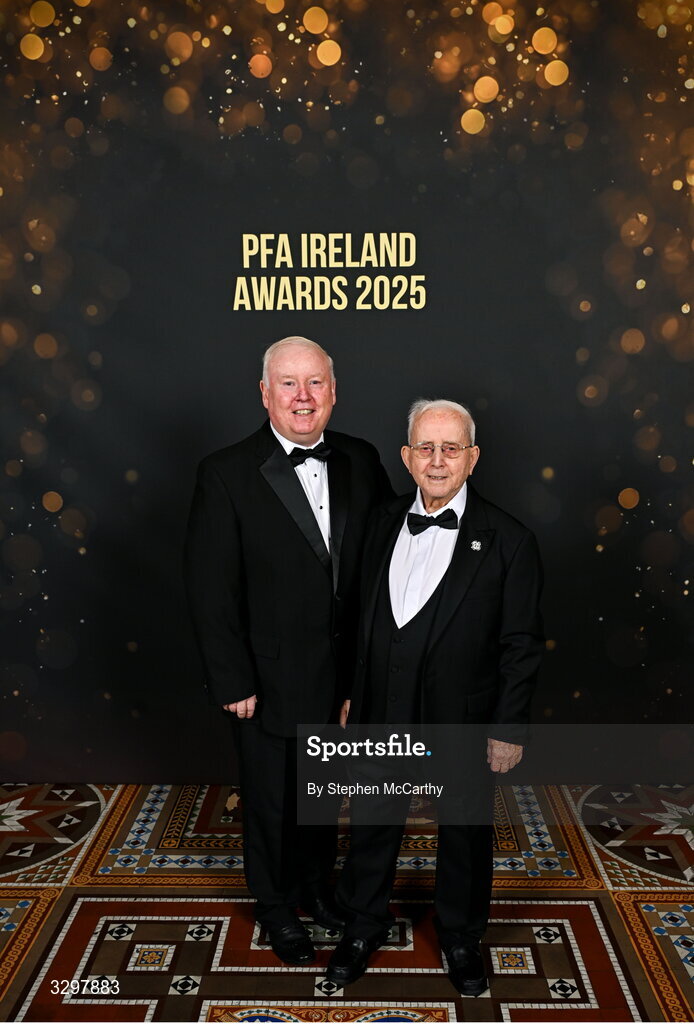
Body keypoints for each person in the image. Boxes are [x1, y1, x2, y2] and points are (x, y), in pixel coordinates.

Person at [184, 336, 391, 966]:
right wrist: (232, 680)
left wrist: (368, 675)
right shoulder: (225, 472)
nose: (304, 397)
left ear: (334, 391)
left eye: (316, 384)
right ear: (265, 393)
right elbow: (208, 589)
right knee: (272, 802)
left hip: (342, 675)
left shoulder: (361, 457)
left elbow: (381, 569)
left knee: (321, 797)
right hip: (265, 680)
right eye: (289, 384)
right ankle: (275, 907)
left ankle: (315, 889)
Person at [326, 398, 544, 995]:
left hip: (464, 717)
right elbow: (355, 618)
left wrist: (508, 726)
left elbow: (521, 645)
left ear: (472, 458)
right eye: (426, 447)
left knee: (465, 829)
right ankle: (363, 924)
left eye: (452, 448)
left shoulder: (510, 540)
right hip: (379, 705)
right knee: (372, 817)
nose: (438, 459)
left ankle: (460, 935)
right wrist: (349, 694)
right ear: (406, 456)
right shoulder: (377, 522)